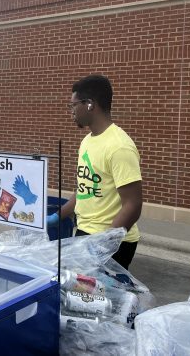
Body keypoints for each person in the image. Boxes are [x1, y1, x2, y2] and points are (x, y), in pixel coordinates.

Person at [50, 75, 143, 269]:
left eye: (73, 105)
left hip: (112, 241)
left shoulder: (119, 146)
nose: (71, 111)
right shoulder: (88, 141)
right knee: (80, 295)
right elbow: (85, 190)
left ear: (90, 104)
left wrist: (104, 242)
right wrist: (57, 216)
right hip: (85, 233)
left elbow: (133, 205)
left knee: (100, 297)